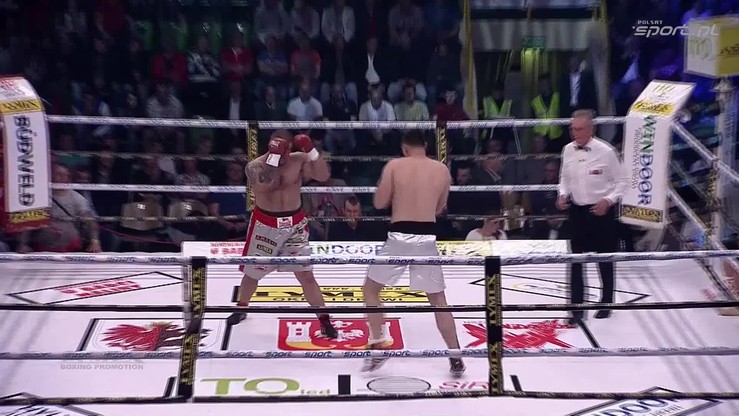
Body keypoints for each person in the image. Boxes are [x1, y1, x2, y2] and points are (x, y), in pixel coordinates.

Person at [360, 130, 465, 376]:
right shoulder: (442, 170)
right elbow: (440, 207)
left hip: (399, 236)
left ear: (404, 148)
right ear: (425, 146)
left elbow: (378, 203)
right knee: (438, 300)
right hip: (427, 238)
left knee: (371, 289)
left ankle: (378, 344)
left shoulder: (395, 166)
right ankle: (456, 356)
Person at [227, 130, 338, 338]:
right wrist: (273, 160)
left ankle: (324, 320)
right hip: (265, 226)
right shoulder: (254, 166)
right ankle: (241, 307)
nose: (285, 156)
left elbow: (324, 176)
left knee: (306, 275)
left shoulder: (299, 160)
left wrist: (312, 151)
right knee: (253, 273)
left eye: (287, 151)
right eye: (280, 151)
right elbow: (266, 186)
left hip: (295, 225)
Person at [556, 110, 628, 324]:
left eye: (579, 129)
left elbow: (623, 181)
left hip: (600, 212)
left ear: (591, 129)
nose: (575, 133)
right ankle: (576, 310)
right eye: (573, 129)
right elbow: (564, 178)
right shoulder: (567, 150)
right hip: (577, 211)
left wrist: (608, 200)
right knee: (575, 261)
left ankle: (606, 302)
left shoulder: (606, 151)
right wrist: (562, 194)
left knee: (604, 259)